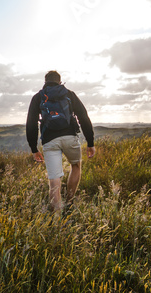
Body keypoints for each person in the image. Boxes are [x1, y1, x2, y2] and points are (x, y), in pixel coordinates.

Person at [26, 70, 96, 212]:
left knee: (54, 179)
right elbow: (83, 117)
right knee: (76, 166)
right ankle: (69, 202)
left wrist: (34, 148)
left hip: (49, 141)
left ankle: (57, 219)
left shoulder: (38, 97)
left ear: (45, 82)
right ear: (60, 81)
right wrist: (90, 142)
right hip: (70, 137)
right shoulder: (69, 94)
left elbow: (31, 124)